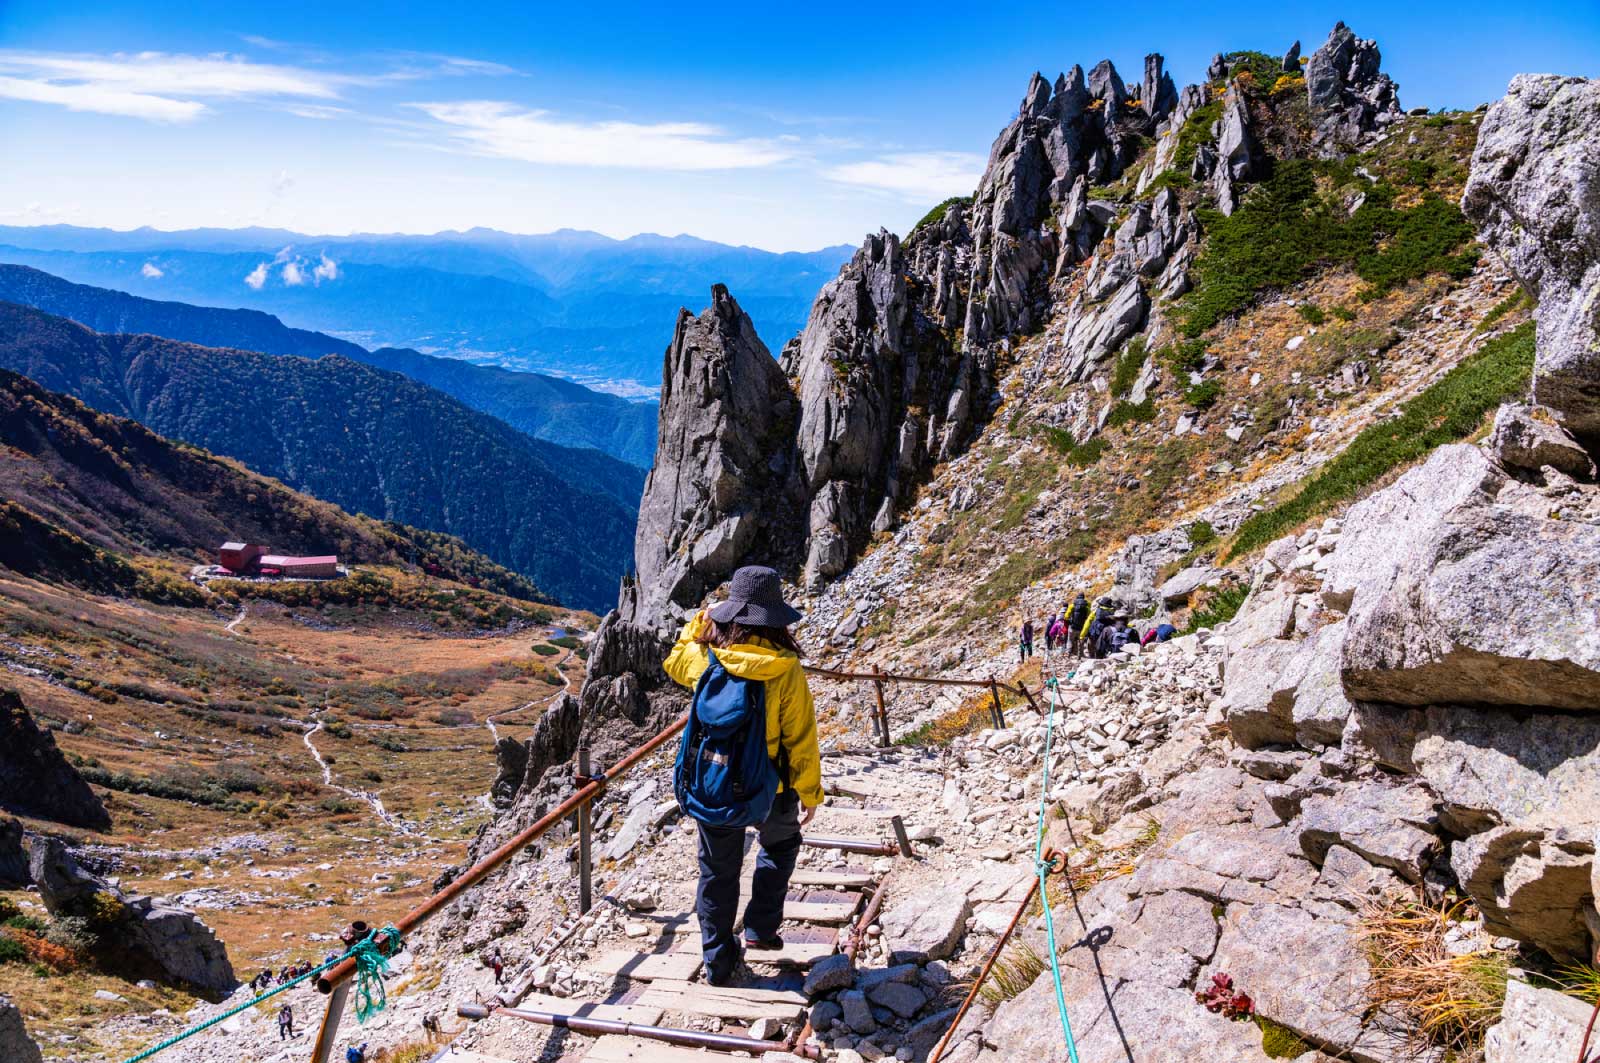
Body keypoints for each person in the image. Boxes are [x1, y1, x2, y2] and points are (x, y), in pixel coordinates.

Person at [663, 566, 825, 988]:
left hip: (716, 781)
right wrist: (809, 792)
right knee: (781, 844)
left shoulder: (708, 660)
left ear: (732, 614)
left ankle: (717, 961)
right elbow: (801, 738)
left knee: (717, 871)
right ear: (775, 620)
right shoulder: (786, 669)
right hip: (773, 785)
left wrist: (701, 620)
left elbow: (675, 659)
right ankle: (760, 928)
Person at [1067, 593, 1091, 657]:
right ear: (1083, 598)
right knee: (1081, 641)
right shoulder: (1087, 607)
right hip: (1081, 628)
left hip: (1073, 627)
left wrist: (1070, 620)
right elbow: (1089, 616)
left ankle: (1068, 652)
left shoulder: (1072, 605)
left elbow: (1066, 616)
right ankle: (1080, 654)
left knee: (1070, 640)